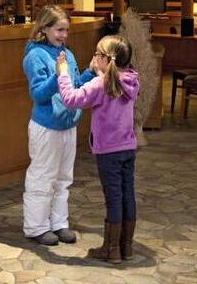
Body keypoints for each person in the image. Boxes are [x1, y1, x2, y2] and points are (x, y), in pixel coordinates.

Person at [56, 34, 140, 264]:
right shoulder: (131, 79)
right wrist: (99, 72)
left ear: (104, 58)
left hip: (108, 152)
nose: (93, 58)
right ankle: (126, 247)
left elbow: (71, 99)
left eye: (96, 54)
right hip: (128, 148)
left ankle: (111, 250)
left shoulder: (101, 84)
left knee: (113, 198)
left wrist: (63, 73)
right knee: (127, 194)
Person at [21, 5, 95, 246]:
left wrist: (91, 72)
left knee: (64, 178)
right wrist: (57, 75)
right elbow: (38, 94)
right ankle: (36, 226)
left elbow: (73, 86)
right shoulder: (35, 56)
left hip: (68, 124)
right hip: (46, 126)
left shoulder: (67, 54)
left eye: (66, 30)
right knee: (43, 177)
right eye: (59, 30)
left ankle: (59, 223)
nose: (64, 35)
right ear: (44, 28)